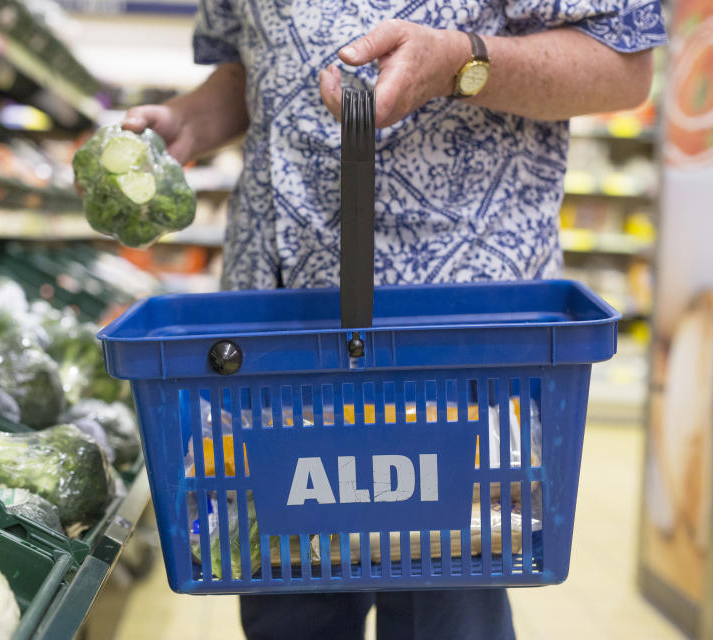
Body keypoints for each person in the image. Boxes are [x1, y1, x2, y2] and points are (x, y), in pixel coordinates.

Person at [123, 1, 666, 638]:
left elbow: (622, 62)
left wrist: (458, 63)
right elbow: (252, 70)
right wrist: (189, 120)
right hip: (274, 331)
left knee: (444, 606)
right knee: (287, 606)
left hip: (456, 334)